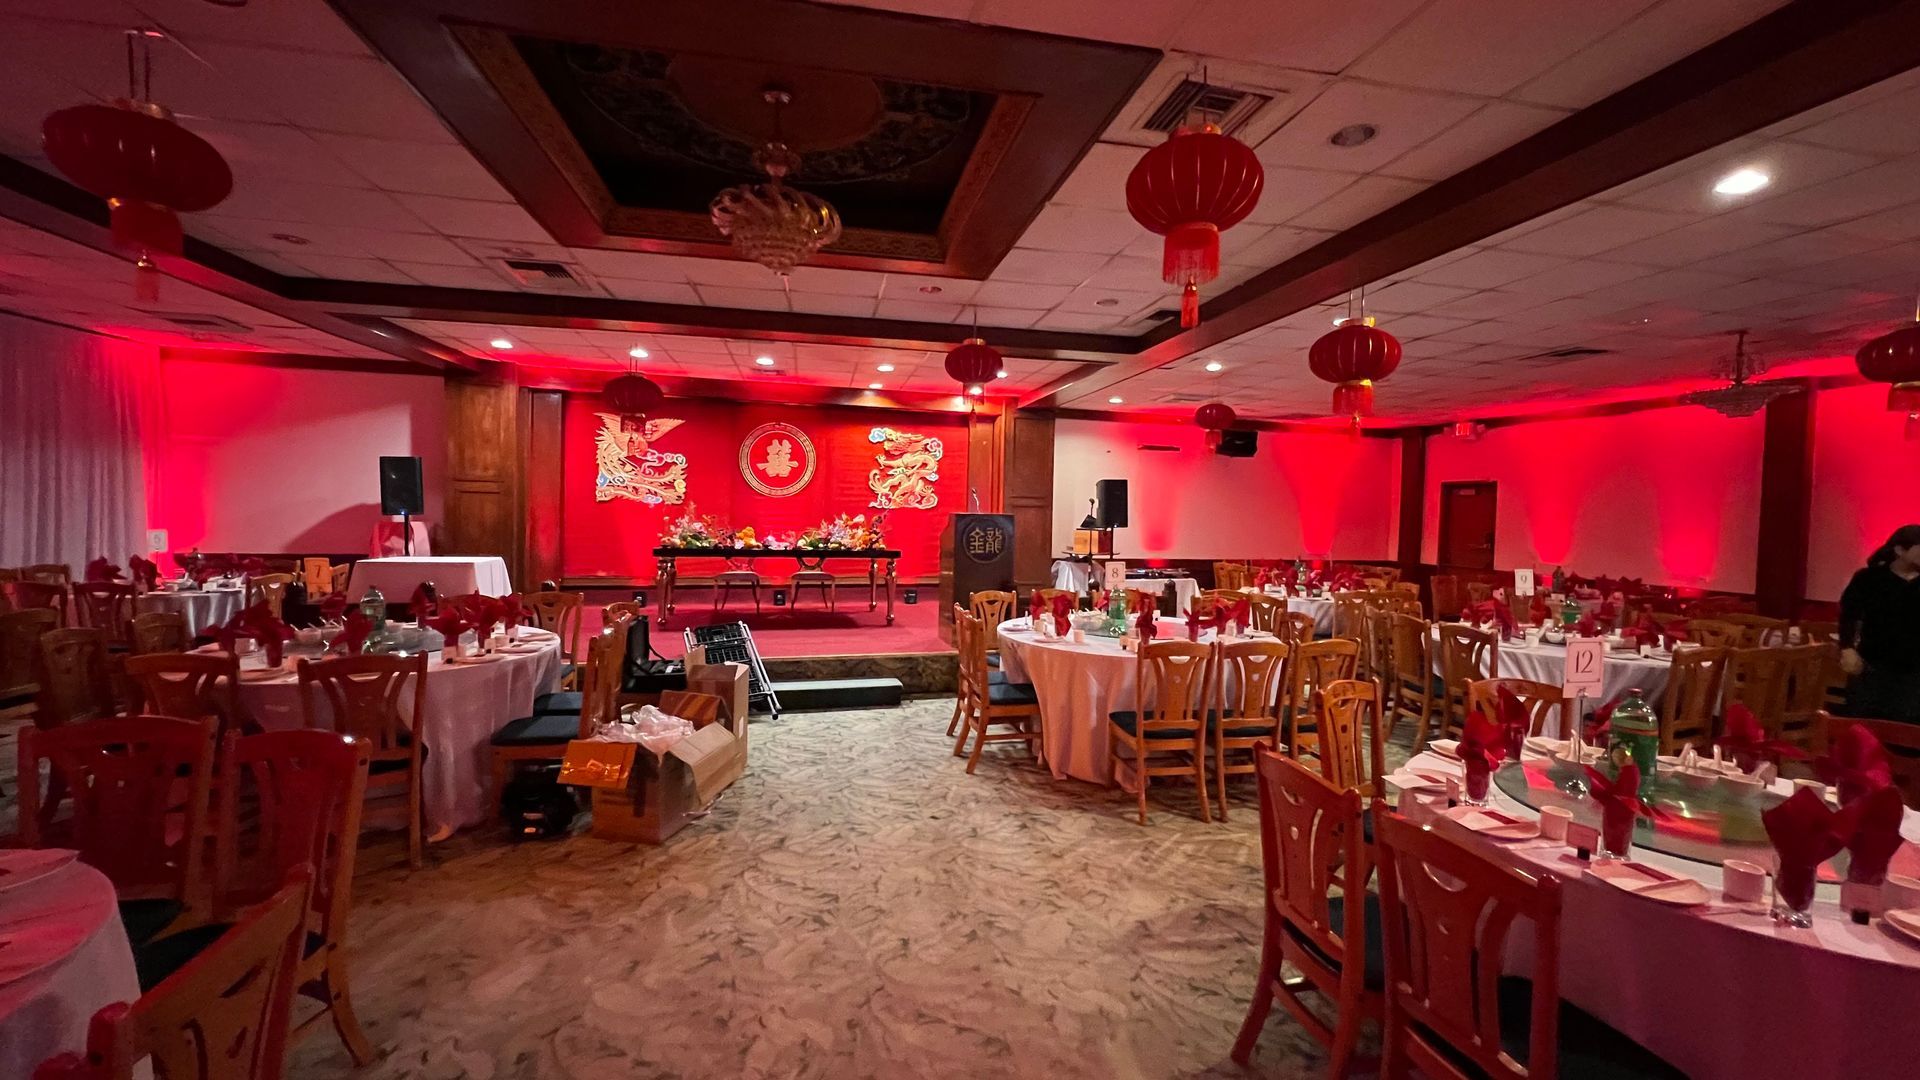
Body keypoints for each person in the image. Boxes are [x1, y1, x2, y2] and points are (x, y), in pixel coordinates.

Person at [1840, 524, 1920, 724]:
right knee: (1866, 726)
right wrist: (1847, 648)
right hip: (1873, 665)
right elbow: (1849, 615)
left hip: (1914, 671)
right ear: (1900, 550)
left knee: (1906, 729)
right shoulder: (1869, 578)